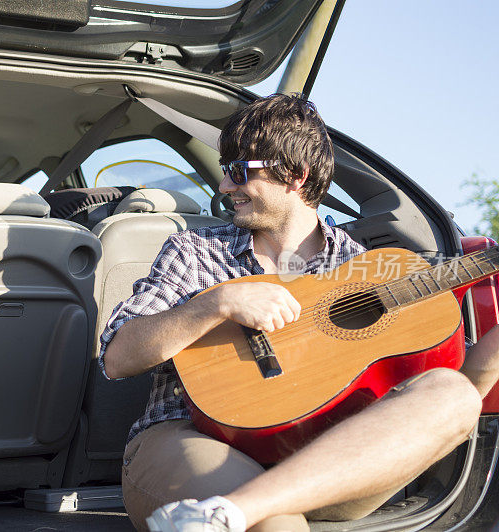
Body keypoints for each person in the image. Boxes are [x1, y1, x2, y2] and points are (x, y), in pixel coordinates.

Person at [99, 93, 499, 531]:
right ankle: (248, 509)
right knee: (280, 526)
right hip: (192, 436)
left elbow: (465, 391)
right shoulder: (195, 251)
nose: (224, 186)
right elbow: (118, 358)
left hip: (327, 461)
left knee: (452, 393)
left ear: (294, 175)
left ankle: (236, 510)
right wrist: (216, 303)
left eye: (237, 172)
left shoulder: (365, 270)